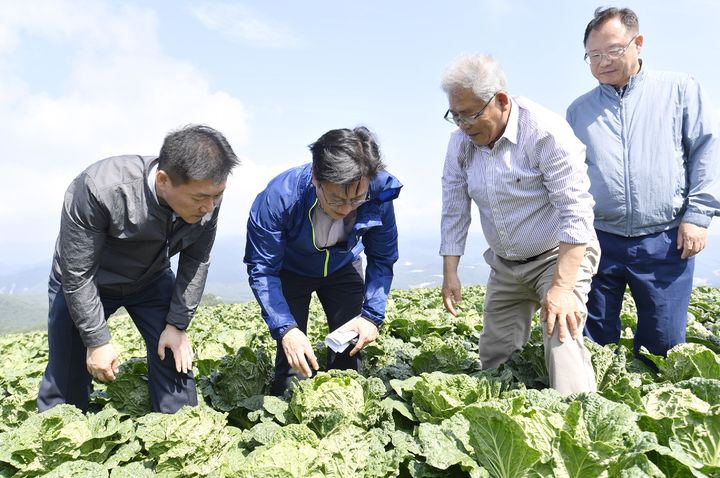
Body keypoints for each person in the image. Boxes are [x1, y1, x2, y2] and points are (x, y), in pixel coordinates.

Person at [37, 125, 239, 414]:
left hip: (151, 279)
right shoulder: (99, 188)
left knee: (173, 355)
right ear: (163, 180)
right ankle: (59, 435)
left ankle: (180, 434)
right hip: (87, 282)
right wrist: (97, 341)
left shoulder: (207, 195)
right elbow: (78, 274)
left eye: (217, 196)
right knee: (67, 372)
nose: (209, 207)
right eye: (199, 199)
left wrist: (177, 324)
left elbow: (197, 260)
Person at [440, 55, 599, 395]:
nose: (463, 124)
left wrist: (561, 288)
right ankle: (501, 420)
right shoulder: (460, 143)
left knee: (562, 335)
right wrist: (450, 271)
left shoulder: (545, 132)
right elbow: (455, 208)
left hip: (557, 255)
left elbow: (576, 211)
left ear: (500, 100)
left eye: (470, 114)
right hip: (505, 265)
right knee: (495, 353)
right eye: (456, 115)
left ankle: (577, 428)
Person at [566, 7, 720, 360]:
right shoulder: (578, 111)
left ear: (638, 43)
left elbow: (706, 151)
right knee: (591, 344)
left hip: (666, 238)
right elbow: (570, 177)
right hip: (599, 239)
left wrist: (698, 216)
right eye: (594, 55)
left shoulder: (681, 89)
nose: (603, 61)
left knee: (663, 346)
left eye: (614, 50)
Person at [244, 127, 401, 395]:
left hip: (343, 266)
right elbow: (262, 268)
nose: (346, 209)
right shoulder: (280, 197)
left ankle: (349, 421)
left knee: (349, 352)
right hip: (290, 270)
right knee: (293, 360)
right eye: (337, 199)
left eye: (356, 199)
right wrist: (286, 329)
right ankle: (287, 421)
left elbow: (382, 257)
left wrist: (372, 317)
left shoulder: (378, 193)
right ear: (316, 177)